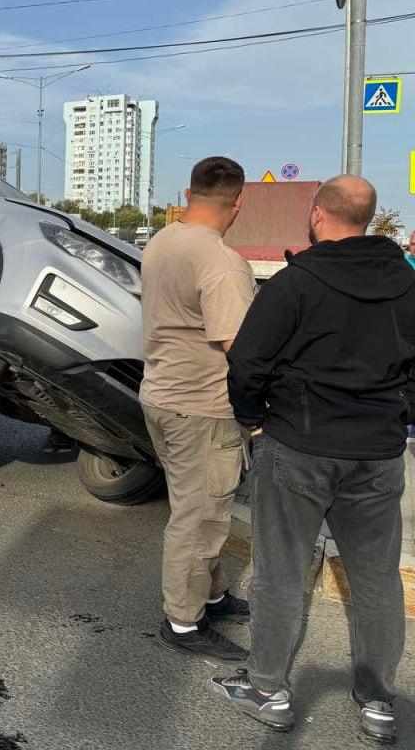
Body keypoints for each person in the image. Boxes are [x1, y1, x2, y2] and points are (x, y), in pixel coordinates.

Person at [214, 175, 410, 743]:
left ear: (318, 214)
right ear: (369, 219)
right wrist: (394, 414)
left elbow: (248, 363)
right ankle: (378, 702)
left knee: (282, 571)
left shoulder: (296, 282)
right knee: (376, 580)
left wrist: (253, 418)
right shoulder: (406, 283)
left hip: (297, 445)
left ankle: (268, 688)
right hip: (376, 453)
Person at [140, 156, 255, 662]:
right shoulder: (222, 261)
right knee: (200, 516)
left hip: (162, 396)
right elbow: (240, 347)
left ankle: (211, 594)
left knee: (193, 505)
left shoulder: (163, 241)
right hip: (202, 405)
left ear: (188, 195)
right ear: (239, 201)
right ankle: (183, 623)